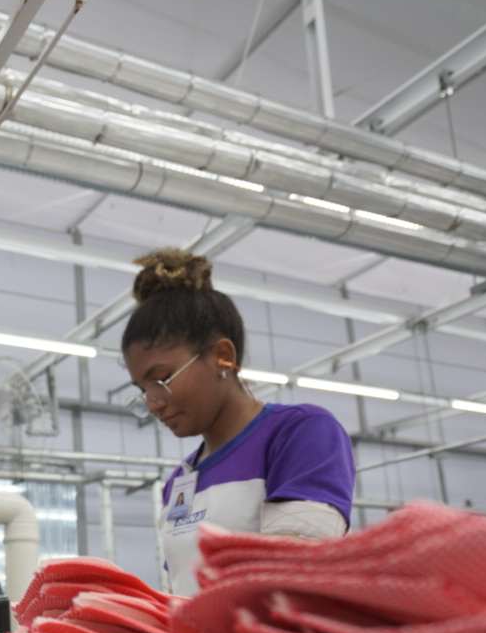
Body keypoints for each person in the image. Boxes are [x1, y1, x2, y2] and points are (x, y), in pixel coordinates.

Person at [122, 249, 355, 596]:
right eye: (143, 389)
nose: (153, 402)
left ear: (223, 356)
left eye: (162, 379)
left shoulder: (300, 433)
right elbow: (181, 589)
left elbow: (295, 579)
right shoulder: (179, 482)